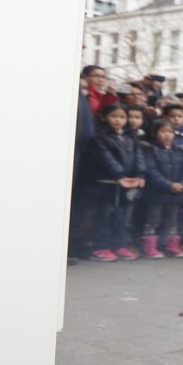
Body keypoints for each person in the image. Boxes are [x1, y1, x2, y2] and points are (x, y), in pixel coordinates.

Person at [80, 103, 144, 261]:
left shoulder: (130, 137)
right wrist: (119, 175)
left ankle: (119, 245)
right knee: (104, 214)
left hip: (126, 183)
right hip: (106, 182)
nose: (118, 120)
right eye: (114, 116)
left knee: (121, 215)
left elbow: (139, 157)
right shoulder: (100, 137)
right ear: (104, 117)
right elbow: (106, 158)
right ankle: (101, 246)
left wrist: (140, 174)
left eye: (122, 117)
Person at [140, 119, 183, 258]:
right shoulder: (150, 149)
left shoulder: (179, 150)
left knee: (172, 220)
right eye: (163, 132)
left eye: (170, 132)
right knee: (153, 220)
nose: (167, 135)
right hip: (156, 192)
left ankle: (172, 245)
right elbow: (151, 171)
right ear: (155, 133)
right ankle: (149, 247)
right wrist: (169, 185)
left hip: (176, 192)